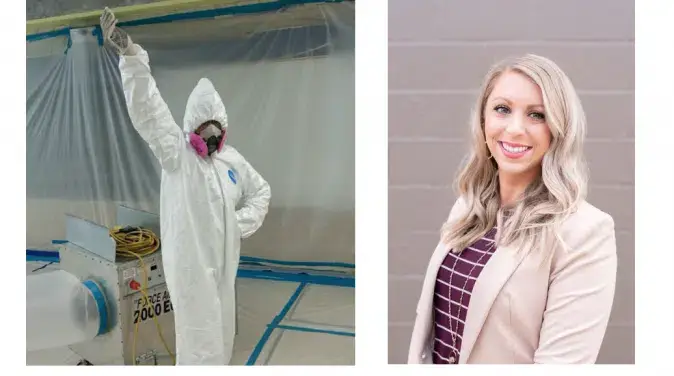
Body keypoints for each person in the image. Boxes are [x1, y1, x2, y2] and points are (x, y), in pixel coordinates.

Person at [407, 54, 617, 364]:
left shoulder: (584, 231)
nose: (515, 128)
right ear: (483, 119)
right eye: (502, 109)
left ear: (559, 128)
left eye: (537, 115)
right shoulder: (468, 205)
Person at [100, 8, 271, 365]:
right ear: (192, 127)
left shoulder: (231, 162)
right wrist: (131, 56)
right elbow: (149, 110)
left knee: (223, 336)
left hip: (224, 267)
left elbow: (261, 192)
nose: (210, 139)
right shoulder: (177, 154)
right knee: (198, 341)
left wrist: (236, 228)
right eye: (203, 130)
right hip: (192, 270)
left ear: (223, 128)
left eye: (216, 131)